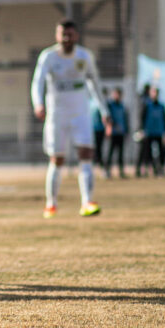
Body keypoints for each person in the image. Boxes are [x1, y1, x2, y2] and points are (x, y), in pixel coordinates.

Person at [31, 20, 110, 219]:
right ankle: (51, 204)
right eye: (63, 35)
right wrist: (38, 104)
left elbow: (95, 83)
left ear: (77, 36)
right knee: (58, 158)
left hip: (80, 113)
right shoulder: (49, 57)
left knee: (86, 153)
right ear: (57, 36)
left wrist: (104, 110)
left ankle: (87, 202)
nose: (67, 39)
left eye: (70, 35)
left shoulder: (84, 56)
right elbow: (37, 81)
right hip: (57, 114)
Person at [139, 86, 165, 177]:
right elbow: (142, 119)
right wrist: (142, 130)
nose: (155, 94)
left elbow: (164, 120)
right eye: (153, 92)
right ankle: (149, 168)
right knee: (147, 152)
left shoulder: (162, 106)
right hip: (149, 132)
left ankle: (160, 169)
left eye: (156, 92)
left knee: (162, 152)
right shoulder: (147, 105)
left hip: (159, 132)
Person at [105, 88, 128, 179]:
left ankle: (121, 171)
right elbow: (107, 118)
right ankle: (107, 171)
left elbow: (125, 119)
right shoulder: (110, 106)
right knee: (110, 152)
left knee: (120, 154)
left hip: (121, 133)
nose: (117, 96)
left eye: (119, 94)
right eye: (116, 94)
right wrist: (110, 127)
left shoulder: (122, 106)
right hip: (113, 133)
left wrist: (126, 130)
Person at [134, 84, 152, 177]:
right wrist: (141, 129)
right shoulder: (145, 101)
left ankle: (143, 170)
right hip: (143, 129)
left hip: (144, 128)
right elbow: (141, 116)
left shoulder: (143, 100)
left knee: (145, 151)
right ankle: (139, 170)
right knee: (142, 150)